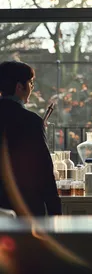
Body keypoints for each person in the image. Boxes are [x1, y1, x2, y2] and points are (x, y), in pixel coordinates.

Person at [0, 61, 62, 216]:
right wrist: (56, 213)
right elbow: (44, 171)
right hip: (26, 205)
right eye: (30, 83)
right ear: (19, 87)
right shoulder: (31, 121)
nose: (32, 88)